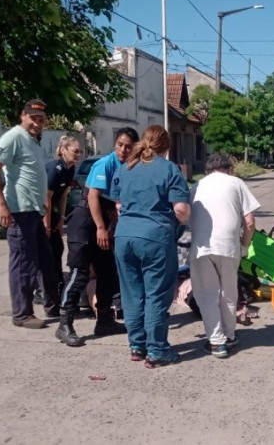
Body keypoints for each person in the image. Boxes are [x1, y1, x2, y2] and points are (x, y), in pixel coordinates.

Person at [111, 125, 190, 368]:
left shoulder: (126, 168)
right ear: (166, 146)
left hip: (124, 237)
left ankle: (137, 345)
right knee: (156, 294)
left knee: (132, 294)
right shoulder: (169, 169)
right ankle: (157, 351)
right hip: (155, 238)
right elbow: (181, 210)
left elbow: (118, 205)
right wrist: (180, 222)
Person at [55, 127, 139, 347]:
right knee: (79, 274)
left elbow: (112, 204)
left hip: (102, 222)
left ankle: (104, 320)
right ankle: (64, 324)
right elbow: (93, 196)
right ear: (115, 145)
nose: (123, 149)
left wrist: (112, 226)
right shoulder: (105, 164)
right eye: (120, 144)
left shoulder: (127, 167)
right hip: (84, 222)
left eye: (129, 146)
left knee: (108, 272)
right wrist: (101, 227)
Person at [0, 99, 59, 329]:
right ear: (23, 116)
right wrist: (1, 204)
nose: (37, 123)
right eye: (33, 118)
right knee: (23, 264)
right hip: (19, 211)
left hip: (34, 211)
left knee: (46, 261)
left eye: (41, 120)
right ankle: (22, 314)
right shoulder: (13, 137)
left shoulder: (33, 141)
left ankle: (53, 304)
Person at [190, 153, 260, 359]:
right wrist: (245, 245)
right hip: (229, 247)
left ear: (208, 169)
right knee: (229, 292)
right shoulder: (237, 183)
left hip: (202, 248)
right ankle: (229, 336)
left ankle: (217, 342)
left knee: (207, 294)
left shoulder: (197, 186)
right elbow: (249, 222)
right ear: (229, 168)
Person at [33, 136, 81, 306]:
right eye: (75, 151)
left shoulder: (70, 169)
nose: (78, 155)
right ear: (63, 150)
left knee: (57, 249)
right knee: (48, 252)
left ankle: (48, 288)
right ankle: (40, 291)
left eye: (79, 152)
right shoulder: (56, 169)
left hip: (51, 212)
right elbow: (47, 197)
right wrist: (46, 225)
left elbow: (63, 195)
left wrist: (60, 220)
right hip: (38, 211)